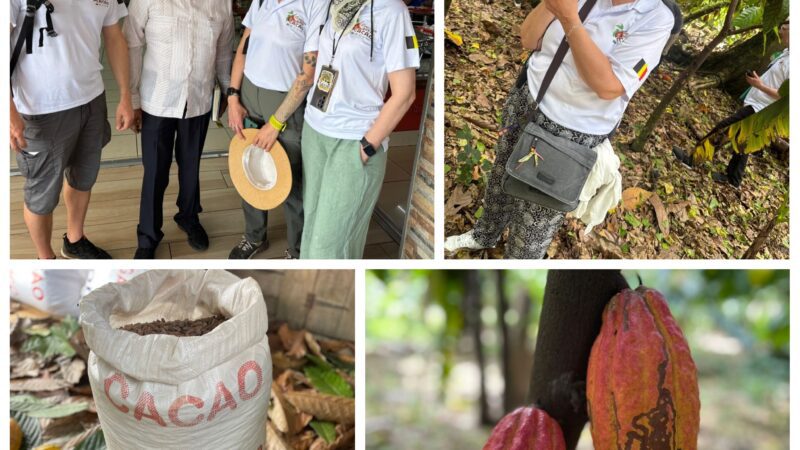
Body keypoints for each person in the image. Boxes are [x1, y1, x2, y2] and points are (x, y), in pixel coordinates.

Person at [445, 0, 675, 259]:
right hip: (529, 100)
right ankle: (485, 233)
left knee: (537, 218)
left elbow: (609, 87)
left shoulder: (656, 18)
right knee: (501, 176)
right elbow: (529, 39)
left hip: (571, 134)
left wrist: (569, 19)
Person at [10, 0, 133, 259]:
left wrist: (125, 95)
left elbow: (113, 36)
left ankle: (75, 239)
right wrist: (8, 112)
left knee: (83, 177)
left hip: (92, 99)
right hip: (40, 110)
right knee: (41, 192)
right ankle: (47, 260)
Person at [300, 0, 420, 259]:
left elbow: (405, 94)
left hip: (354, 141)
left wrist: (367, 147)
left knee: (330, 248)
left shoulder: (391, 11)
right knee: (310, 228)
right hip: (315, 131)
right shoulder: (330, 5)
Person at [124, 0, 234, 259]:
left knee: (191, 164)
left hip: (199, 99)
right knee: (155, 172)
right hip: (157, 100)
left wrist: (230, 92)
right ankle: (148, 235)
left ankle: (189, 216)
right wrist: (133, 99)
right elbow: (133, 45)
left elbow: (224, 51)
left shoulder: (221, 4)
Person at [227, 0, 327, 260]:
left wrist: (275, 123)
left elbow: (308, 73)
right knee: (250, 168)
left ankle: (296, 250)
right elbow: (243, 50)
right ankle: (254, 236)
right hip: (249, 97)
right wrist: (233, 96)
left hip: (285, 104)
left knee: (291, 178)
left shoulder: (316, 4)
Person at [673, 19, 789, 188]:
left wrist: (760, 86)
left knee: (723, 129)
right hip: (757, 103)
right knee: (743, 141)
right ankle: (734, 179)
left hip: (762, 109)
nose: (781, 31)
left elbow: (786, 97)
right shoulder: (787, 53)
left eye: (785, 28)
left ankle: (692, 159)